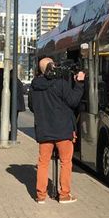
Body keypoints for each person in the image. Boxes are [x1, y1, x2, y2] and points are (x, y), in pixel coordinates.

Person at [31, 57, 84, 204]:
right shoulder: (61, 84)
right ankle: (64, 194)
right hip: (63, 130)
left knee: (43, 163)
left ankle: (41, 196)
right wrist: (79, 83)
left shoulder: (34, 86)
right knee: (65, 162)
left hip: (44, 130)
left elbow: (31, 106)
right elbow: (73, 101)